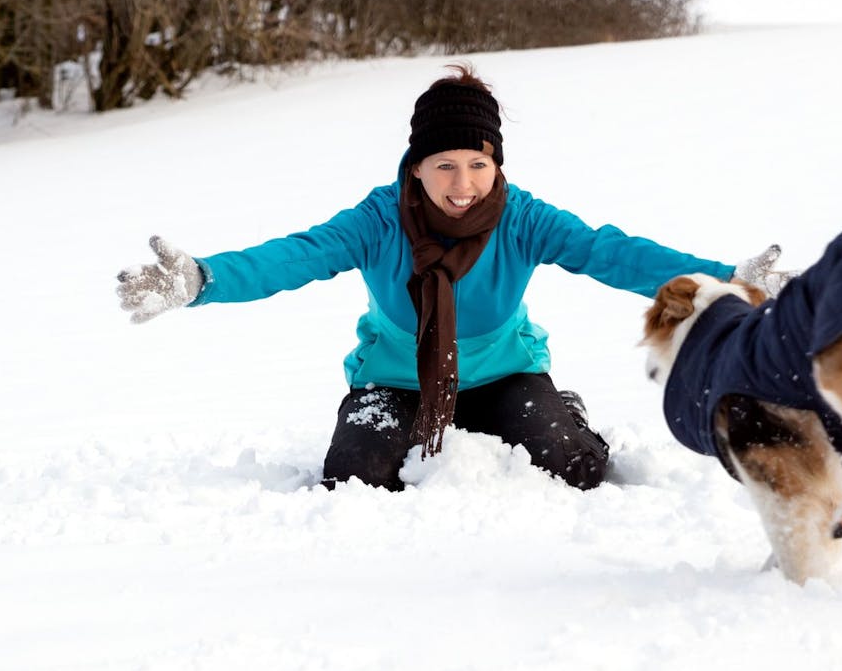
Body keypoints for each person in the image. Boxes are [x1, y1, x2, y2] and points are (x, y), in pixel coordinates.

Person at [116, 64, 790, 492]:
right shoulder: (379, 220)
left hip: (505, 376)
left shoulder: (523, 218)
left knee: (578, 467)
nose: (462, 184)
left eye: (477, 164)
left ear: (496, 164)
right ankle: (385, 427)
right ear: (416, 167)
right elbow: (296, 255)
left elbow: (610, 253)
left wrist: (723, 278)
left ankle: (567, 410)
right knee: (354, 478)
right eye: (445, 166)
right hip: (395, 382)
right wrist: (203, 279)